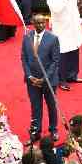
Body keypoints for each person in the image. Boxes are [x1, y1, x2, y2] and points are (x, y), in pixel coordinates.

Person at [44, 0, 82, 90]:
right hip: (61, 26)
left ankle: (72, 75)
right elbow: (57, 9)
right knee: (63, 52)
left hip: (73, 23)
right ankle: (61, 80)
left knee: (74, 49)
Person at [21, 14, 60, 143]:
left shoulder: (53, 38)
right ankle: (35, 132)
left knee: (51, 106)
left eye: (43, 22)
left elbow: (55, 61)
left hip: (49, 81)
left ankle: (53, 130)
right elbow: (24, 58)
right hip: (32, 81)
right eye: (38, 23)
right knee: (35, 107)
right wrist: (29, 76)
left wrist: (44, 78)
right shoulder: (27, 37)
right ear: (33, 23)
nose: (41, 25)